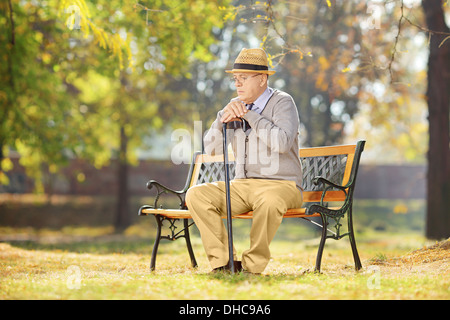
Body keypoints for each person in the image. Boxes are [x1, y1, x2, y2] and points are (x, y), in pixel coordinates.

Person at [185, 48, 303, 274]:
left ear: (262, 79)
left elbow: (281, 142)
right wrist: (221, 119)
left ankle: (252, 267)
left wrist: (250, 115)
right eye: (236, 79)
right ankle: (224, 263)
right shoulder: (234, 105)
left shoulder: (283, 102)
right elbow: (211, 150)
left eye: (244, 78)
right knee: (196, 194)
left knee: (269, 201)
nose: (238, 84)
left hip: (282, 185)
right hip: (242, 185)